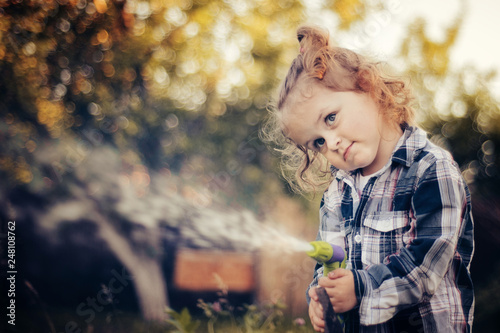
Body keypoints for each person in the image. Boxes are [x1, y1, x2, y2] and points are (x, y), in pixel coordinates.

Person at [261, 25, 474, 332]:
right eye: (317, 142)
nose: (330, 142)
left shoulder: (430, 169)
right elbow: (330, 261)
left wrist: (360, 288)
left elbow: (425, 268)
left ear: (367, 85)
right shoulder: (338, 193)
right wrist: (321, 295)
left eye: (331, 118)